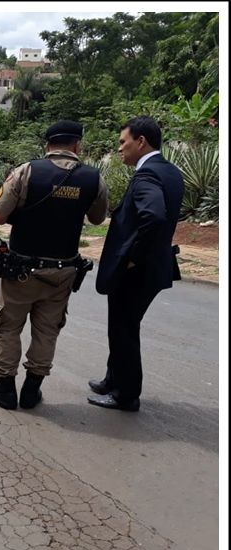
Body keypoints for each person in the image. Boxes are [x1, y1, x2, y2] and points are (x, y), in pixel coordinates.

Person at [0, 120, 109, 410]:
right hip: (63, 271)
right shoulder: (93, 178)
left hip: (21, 271)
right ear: (78, 145)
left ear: (47, 145)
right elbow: (98, 218)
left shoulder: (27, 171)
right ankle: (31, 392)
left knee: (8, 327)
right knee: (47, 331)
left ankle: (5, 391)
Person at [88, 116, 185, 411]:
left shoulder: (147, 176)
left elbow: (153, 217)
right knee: (122, 325)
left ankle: (126, 394)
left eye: (123, 142)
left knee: (124, 328)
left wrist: (133, 259)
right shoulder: (170, 171)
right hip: (154, 267)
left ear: (140, 141)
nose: (120, 149)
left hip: (138, 271)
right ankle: (113, 379)